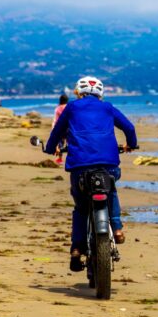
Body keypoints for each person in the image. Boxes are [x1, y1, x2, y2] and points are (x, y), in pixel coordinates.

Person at [44, 76, 138, 271]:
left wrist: (51, 148)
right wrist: (131, 144)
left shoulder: (71, 107)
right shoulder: (107, 107)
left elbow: (57, 132)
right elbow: (129, 127)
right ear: (100, 93)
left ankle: (77, 249)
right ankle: (118, 228)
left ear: (78, 92)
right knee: (110, 190)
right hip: (108, 165)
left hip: (80, 167)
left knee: (81, 208)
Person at [52, 93, 69, 165]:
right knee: (70, 144)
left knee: (60, 144)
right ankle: (70, 159)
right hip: (69, 128)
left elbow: (55, 120)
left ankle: (60, 159)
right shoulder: (69, 107)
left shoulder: (57, 108)